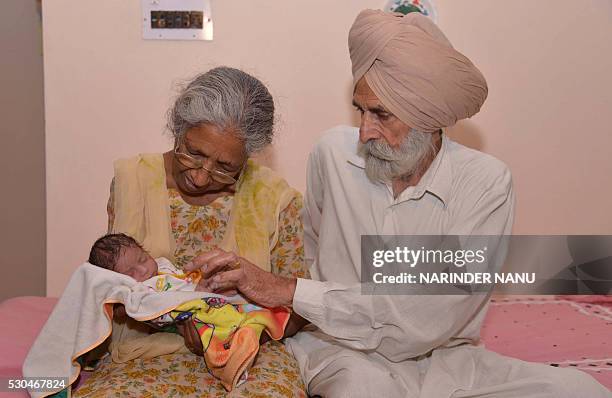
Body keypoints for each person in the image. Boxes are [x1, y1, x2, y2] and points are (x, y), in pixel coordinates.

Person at [185, 11, 610, 397]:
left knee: (582, 390)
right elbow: (313, 246)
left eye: (381, 115)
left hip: (447, 358)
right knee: (364, 390)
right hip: (343, 350)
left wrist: (288, 290)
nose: (365, 132)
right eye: (360, 111)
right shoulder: (332, 154)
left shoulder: (486, 182)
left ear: (428, 119)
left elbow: (424, 318)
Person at [74, 66, 309, 397]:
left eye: (226, 168)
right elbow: (108, 282)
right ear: (177, 128)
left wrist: (234, 330)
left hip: (249, 357)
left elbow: (302, 308)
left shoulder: (275, 199)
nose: (200, 177)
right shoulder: (133, 182)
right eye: (193, 153)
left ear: (248, 158)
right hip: (140, 356)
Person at [88, 232, 201, 290]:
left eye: (143, 259)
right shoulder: (139, 292)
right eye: (131, 273)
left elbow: (182, 276)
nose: (144, 270)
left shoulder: (162, 264)